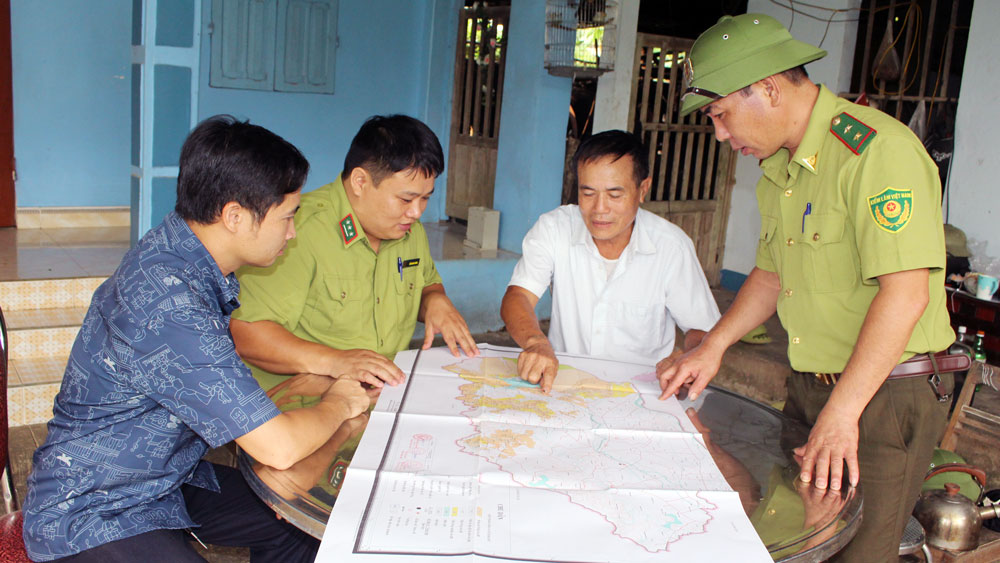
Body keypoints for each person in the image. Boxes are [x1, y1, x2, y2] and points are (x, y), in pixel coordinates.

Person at [658, 14, 955, 562]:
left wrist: (842, 415)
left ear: (768, 88)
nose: (720, 134)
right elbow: (771, 276)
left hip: (883, 396)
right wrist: (715, 346)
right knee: (796, 543)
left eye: (721, 114)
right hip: (812, 387)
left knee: (856, 552)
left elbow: (905, 294)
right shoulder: (780, 169)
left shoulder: (876, 153)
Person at [22, 116, 372, 562]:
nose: (292, 232)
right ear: (234, 216)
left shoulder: (181, 254)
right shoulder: (168, 301)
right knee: (292, 476)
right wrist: (338, 403)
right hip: (94, 509)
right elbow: (278, 447)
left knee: (296, 527)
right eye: (287, 217)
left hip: (161, 480)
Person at [231, 115, 478, 393]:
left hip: (381, 403)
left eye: (426, 198)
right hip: (304, 412)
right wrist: (335, 362)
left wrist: (435, 300)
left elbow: (424, 284)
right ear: (360, 181)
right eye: (406, 199)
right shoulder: (297, 230)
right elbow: (247, 333)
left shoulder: (409, 229)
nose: (416, 212)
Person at [500, 130, 720, 392]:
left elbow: (702, 331)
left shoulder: (671, 247)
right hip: (564, 389)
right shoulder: (554, 229)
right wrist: (536, 342)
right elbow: (518, 297)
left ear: (643, 190)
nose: (599, 209)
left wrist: (685, 356)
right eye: (588, 193)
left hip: (641, 395)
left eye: (614, 195)